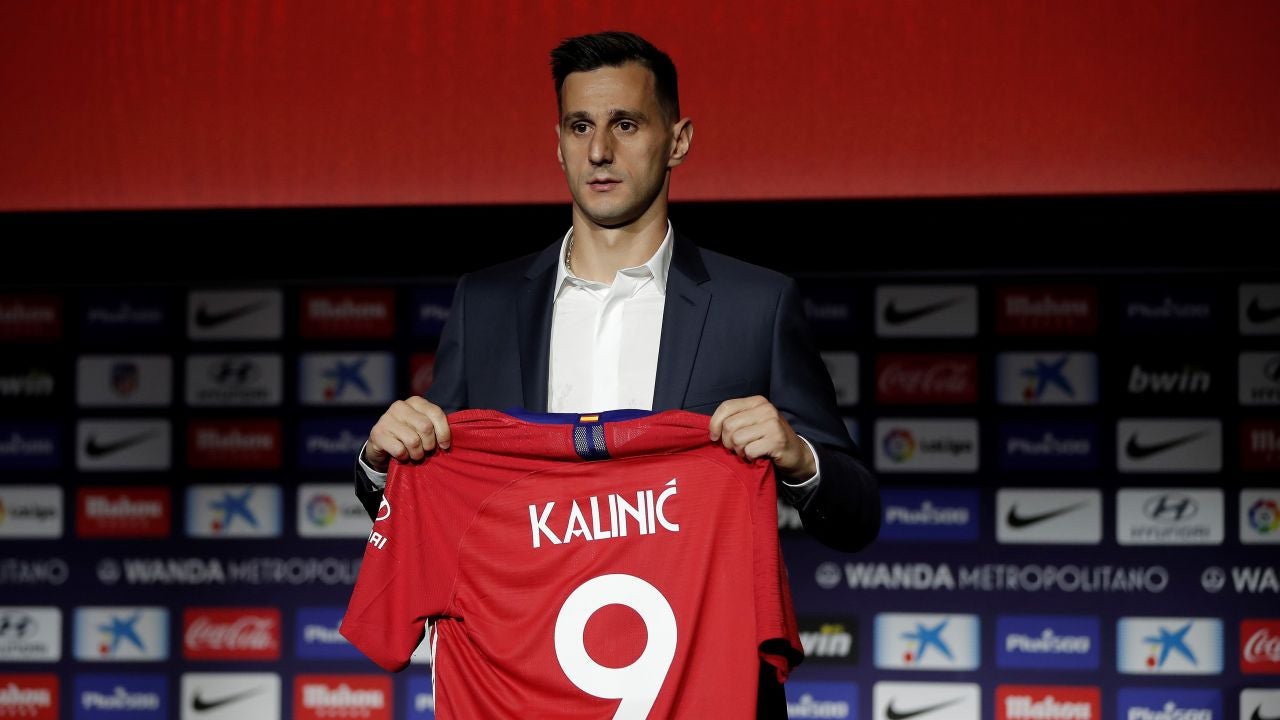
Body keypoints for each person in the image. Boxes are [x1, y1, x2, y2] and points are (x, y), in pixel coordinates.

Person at [352, 30, 878, 717]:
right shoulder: (486, 304)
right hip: (526, 695)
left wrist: (800, 458)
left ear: (678, 141)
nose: (599, 150)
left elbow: (858, 515)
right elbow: (435, 502)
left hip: (704, 695)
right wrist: (382, 464)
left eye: (625, 124)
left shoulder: (756, 304)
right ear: (558, 143)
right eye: (580, 127)